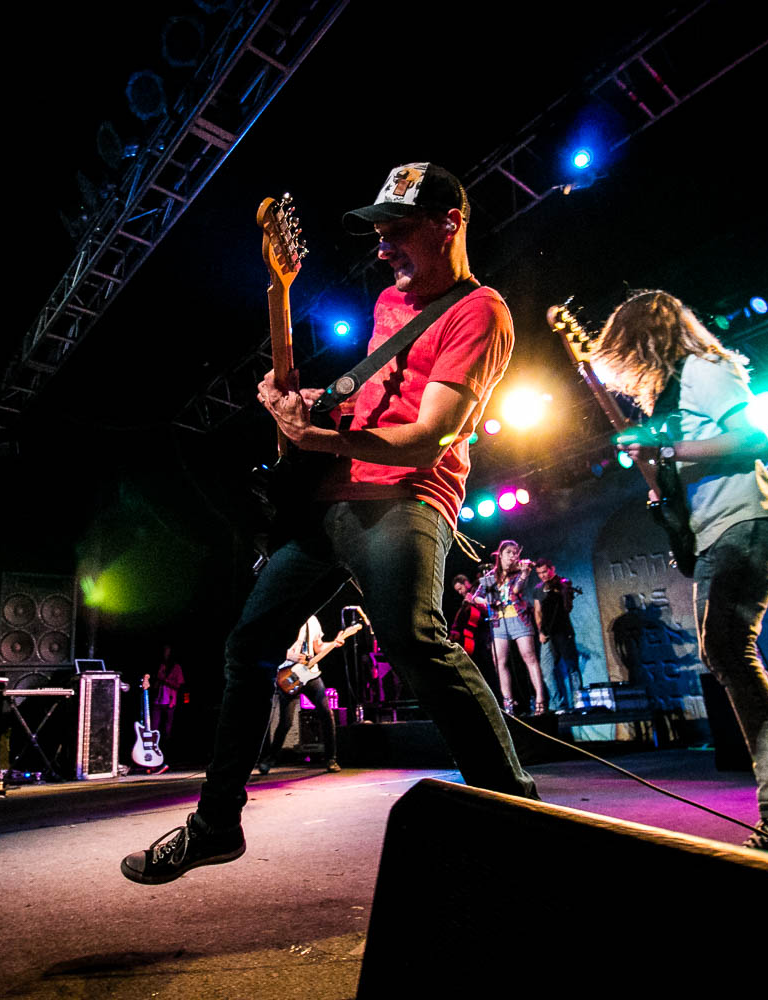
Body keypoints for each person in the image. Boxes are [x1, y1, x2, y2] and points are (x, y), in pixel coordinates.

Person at [121, 162, 539, 885]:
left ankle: (520, 816)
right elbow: (376, 408)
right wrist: (313, 403)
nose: (382, 248)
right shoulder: (387, 306)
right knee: (249, 645)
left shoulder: (481, 311)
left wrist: (313, 436)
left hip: (408, 498)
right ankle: (215, 824)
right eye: (376, 233)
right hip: (332, 502)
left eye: (397, 230)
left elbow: (427, 436)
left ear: (450, 223)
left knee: (413, 636)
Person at [595, 289, 768, 854]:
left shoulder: (704, 367)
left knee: (729, 653)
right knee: (728, 656)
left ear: (646, 337)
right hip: (717, 529)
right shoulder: (669, 398)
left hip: (749, 520)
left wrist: (665, 452)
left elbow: (753, 439)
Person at [467, 540, 549, 715]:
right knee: (499, 661)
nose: (513, 556)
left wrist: (525, 574)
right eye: (510, 552)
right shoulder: (491, 576)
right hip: (498, 621)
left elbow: (518, 590)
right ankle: (508, 703)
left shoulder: (518, 572)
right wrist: (488, 600)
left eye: (516, 553)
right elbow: (476, 597)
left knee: (529, 657)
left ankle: (541, 699)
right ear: (501, 554)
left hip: (518, 619)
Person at [257, 616, 343, 774]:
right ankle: (270, 759)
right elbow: (270, 645)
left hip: (311, 674)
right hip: (290, 675)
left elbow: (317, 647)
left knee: (326, 712)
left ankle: (331, 758)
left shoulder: (314, 621)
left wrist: (333, 644)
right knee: (286, 722)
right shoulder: (288, 616)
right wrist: (289, 655)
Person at [531, 559, 583, 713]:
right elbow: (537, 612)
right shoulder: (538, 589)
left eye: (545, 572)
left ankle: (578, 701)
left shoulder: (562, 584)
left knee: (571, 666)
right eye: (539, 573)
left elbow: (567, 608)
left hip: (563, 630)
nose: (542, 576)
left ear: (552, 569)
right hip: (547, 633)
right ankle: (558, 704)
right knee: (546, 669)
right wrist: (541, 631)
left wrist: (565, 592)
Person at [146, 646, 184, 744]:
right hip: (158, 699)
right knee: (154, 725)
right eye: (164, 652)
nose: (165, 654)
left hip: (170, 701)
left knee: (168, 726)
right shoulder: (161, 666)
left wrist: (165, 681)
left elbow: (179, 685)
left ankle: (167, 744)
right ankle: (153, 743)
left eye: (167, 652)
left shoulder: (176, 668)